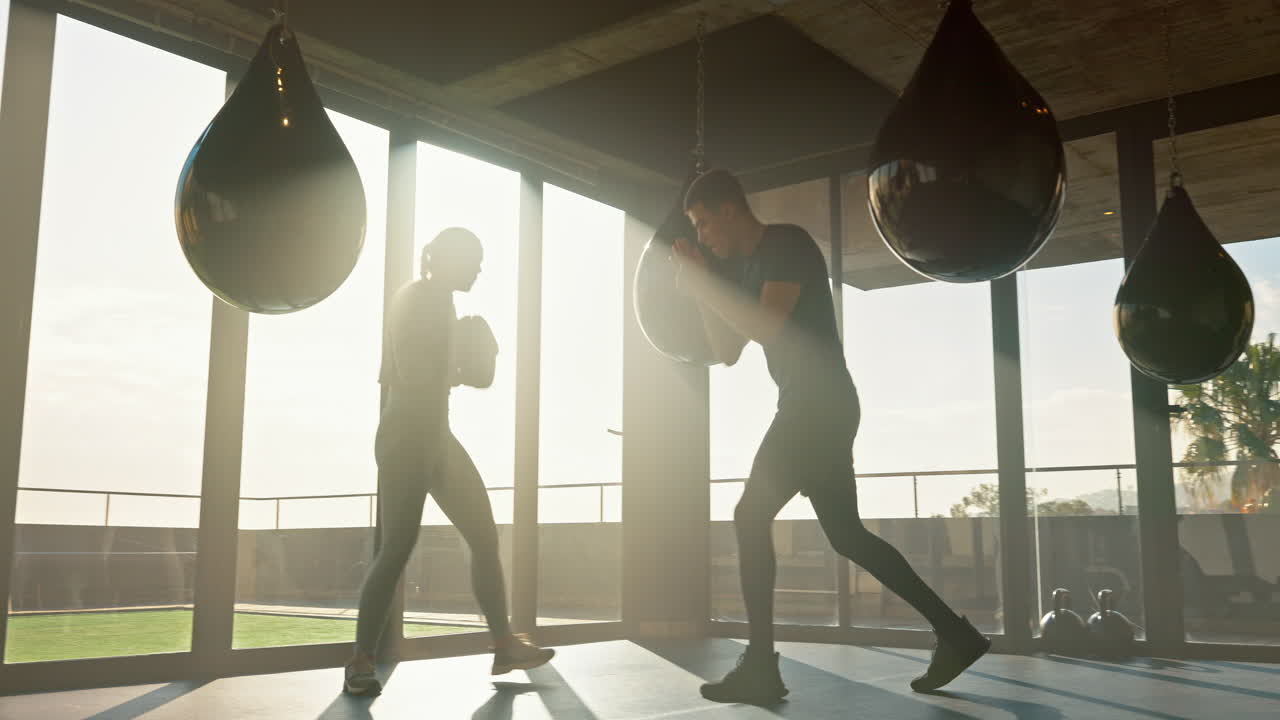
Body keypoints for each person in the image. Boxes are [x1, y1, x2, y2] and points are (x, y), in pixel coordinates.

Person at [671, 170, 989, 704]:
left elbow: (769, 326)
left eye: (704, 223)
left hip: (816, 406)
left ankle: (762, 669)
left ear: (728, 208)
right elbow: (727, 351)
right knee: (846, 535)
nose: (703, 235)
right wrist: (703, 285)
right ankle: (955, 634)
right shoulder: (747, 267)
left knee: (749, 516)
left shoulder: (786, 244)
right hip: (813, 406)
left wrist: (705, 282)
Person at [344, 227, 554, 696]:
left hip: (436, 433)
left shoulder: (442, 301)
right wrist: (462, 352)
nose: (480, 267)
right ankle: (360, 660)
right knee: (397, 546)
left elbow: (452, 375)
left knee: (482, 532)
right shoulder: (417, 297)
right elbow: (417, 373)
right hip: (404, 437)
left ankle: (504, 643)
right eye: (474, 258)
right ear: (451, 259)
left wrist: (466, 358)